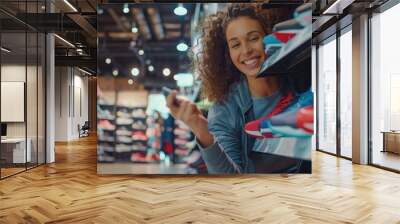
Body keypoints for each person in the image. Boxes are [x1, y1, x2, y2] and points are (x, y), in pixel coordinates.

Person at [166, 3, 311, 174]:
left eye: (253, 38)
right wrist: (201, 129)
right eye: (236, 45)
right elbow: (230, 179)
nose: (246, 50)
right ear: (228, 54)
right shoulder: (224, 110)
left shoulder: (300, 78)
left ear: (268, 37)